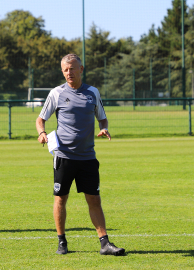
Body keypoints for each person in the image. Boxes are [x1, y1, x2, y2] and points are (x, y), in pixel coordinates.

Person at [35, 54, 125, 256]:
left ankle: (105, 244)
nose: (69, 73)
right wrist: (42, 133)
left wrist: (104, 128)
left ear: (81, 69)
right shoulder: (56, 93)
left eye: (72, 69)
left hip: (87, 158)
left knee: (94, 200)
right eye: (65, 70)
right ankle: (62, 242)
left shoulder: (93, 93)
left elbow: (102, 118)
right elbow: (40, 119)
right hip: (64, 157)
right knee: (60, 199)